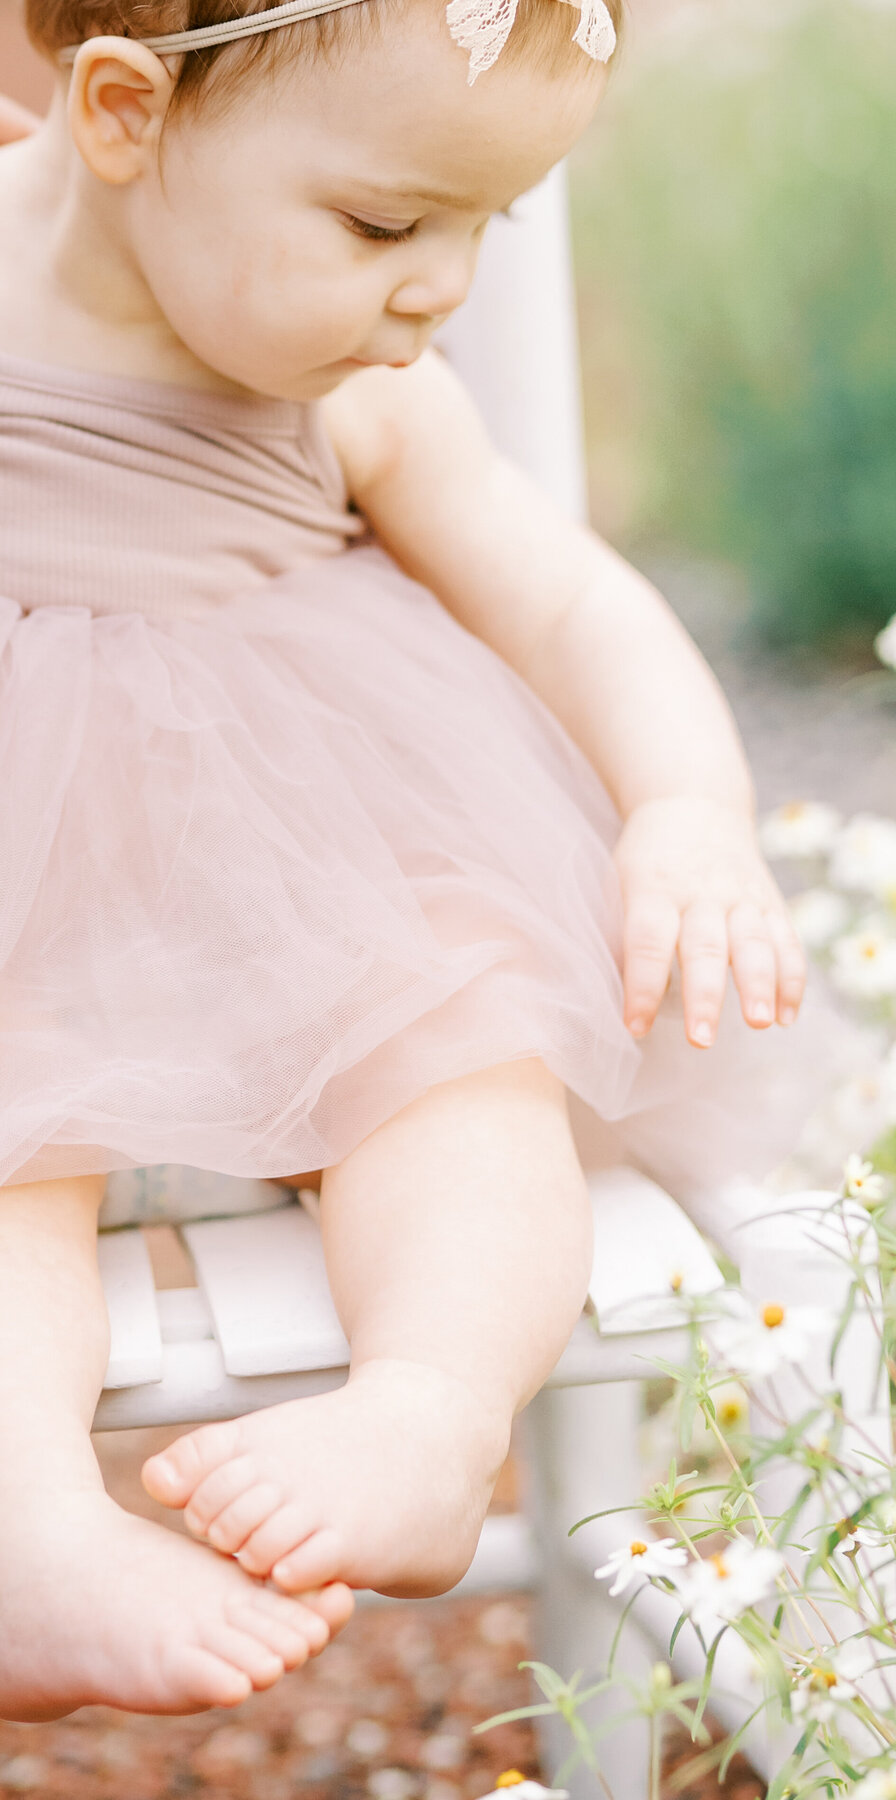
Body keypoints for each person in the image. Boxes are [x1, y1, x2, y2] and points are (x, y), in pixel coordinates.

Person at [0, 0, 808, 1724]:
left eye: (482, 226)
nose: (441, 285)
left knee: (467, 1058)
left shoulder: (370, 402)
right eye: (383, 224)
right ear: (123, 115)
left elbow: (569, 599)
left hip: (292, 870)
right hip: (20, 892)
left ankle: (434, 1416)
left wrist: (684, 808)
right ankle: (27, 1535)